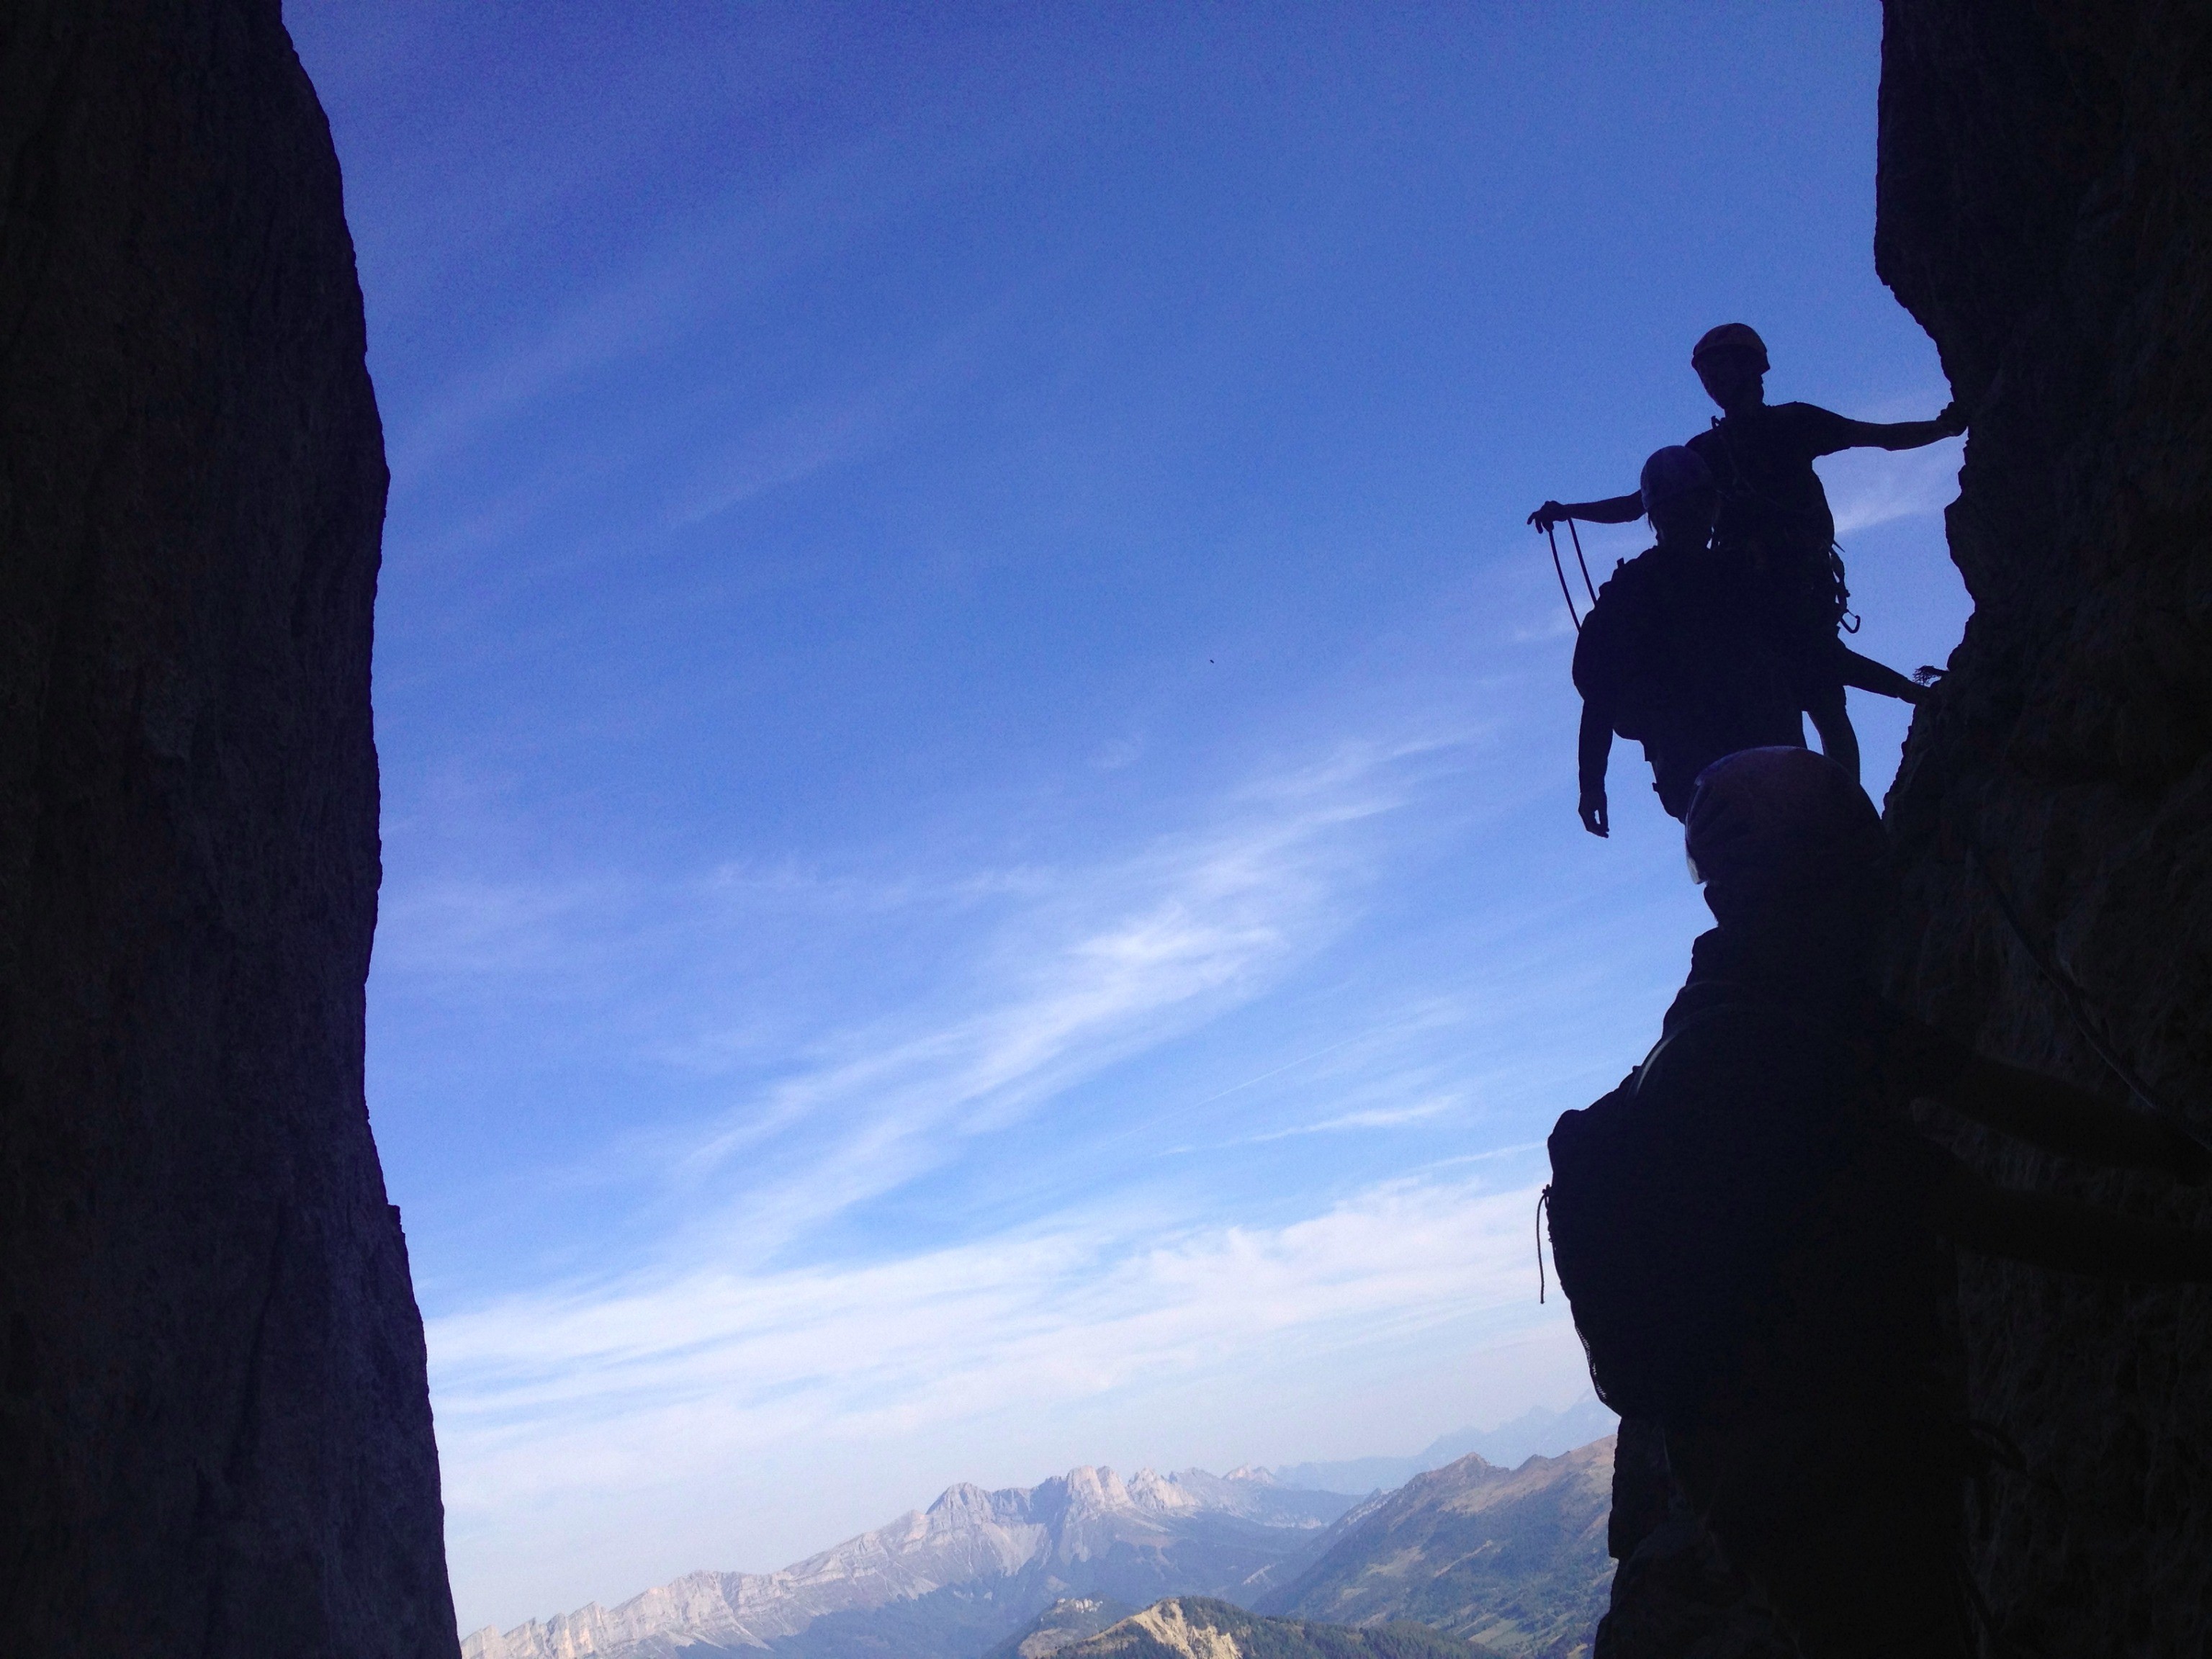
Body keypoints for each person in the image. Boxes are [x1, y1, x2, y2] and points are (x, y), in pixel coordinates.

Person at [1547, 747, 2212, 1659]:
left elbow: (1990, 1093)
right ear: (1818, 871)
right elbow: (1987, 1214)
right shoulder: (1764, 1054)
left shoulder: (1762, 1005)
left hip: (1770, 1455)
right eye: (1848, 863)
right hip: (1819, 1464)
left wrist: (2175, 1153)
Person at [1531, 324, 1966, 781]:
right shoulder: (1719, 448)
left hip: (1782, 589)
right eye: (1707, 373)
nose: (1713, 382)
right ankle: (1832, 810)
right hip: (1744, 591)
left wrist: (1942, 428)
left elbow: (1878, 436)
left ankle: (1835, 811)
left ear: (1749, 369)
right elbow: (1639, 503)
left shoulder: (1782, 427)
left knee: (1818, 701)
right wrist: (1570, 510)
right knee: (1807, 701)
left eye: (1719, 369)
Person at [1571, 446, 1802, 835]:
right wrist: (1591, 785)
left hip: (1703, 770)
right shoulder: (1741, 576)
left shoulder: (1637, 588)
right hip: (1757, 758)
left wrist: (1592, 786)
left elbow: (1601, 694)